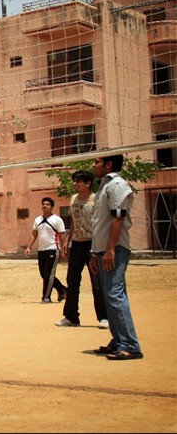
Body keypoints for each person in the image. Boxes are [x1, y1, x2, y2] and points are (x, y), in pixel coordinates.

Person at [90, 154, 143, 361]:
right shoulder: (103, 186)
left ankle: (130, 345)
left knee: (114, 294)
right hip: (103, 249)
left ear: (109, 165)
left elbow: (118, 219)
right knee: (109, 296)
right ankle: (118, 340)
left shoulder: (118, 184)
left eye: (97, 162)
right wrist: (96, 253)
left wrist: (111, 249)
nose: (93, 165)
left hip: (116, 248)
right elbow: (98, 223)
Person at [56, 171, 109, 328]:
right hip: (77, 244)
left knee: (97, 282)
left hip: (92, 244)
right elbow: (73, 221)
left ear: (88, 184)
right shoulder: (73, 199)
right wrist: (67, 241)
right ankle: (71, 317)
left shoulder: (96, 199)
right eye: (74, 181)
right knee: (72, 281)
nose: (75, 184)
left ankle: (103, 317)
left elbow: (100, 223)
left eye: (78, 181)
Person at [25, 196, 67, 303]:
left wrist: (64, 250)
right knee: (43, 274)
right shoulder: (37, 220)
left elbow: (62, 236)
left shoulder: (57, 220)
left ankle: (46, 297)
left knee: (49, 274)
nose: (45, 206)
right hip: (41, 250)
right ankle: (62, 290)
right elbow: (34, 234)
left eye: (47, 204)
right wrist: (29, 246)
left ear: (52, 207)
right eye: (43, 204)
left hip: (53, 249)